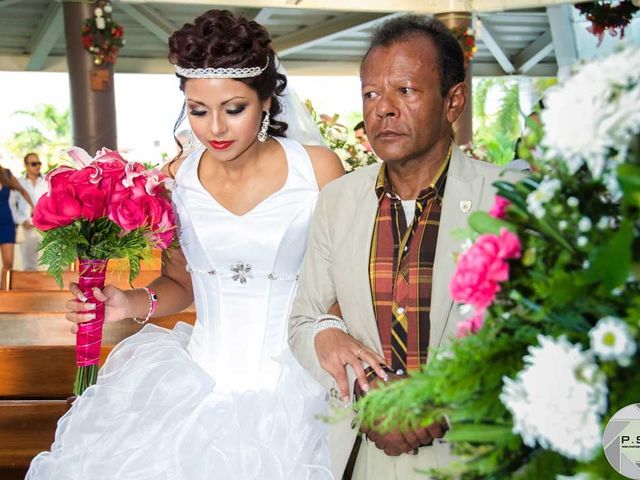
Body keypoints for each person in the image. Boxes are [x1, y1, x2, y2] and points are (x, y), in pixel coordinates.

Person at [26, 9, 344, 480]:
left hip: (301, 388)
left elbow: (342, 281)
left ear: (266, 103)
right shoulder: (177, 181)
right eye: (198, 110)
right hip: (194, 385)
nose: (214, 128)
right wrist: (126, 302)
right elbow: (180, 283)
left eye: (233, 108)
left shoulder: (318, 170)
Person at [289, 15, 521, 480]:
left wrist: (439, 404)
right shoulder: (338, 200)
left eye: (406, 91)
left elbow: (533, 334)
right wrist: (364, 391)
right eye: (371, 94)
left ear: (453, 101)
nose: (383, 110)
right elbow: (302, 321)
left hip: (472, 452)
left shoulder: (509, 200)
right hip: (362, 449)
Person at [10, 153, 48, 270]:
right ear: (26, 165)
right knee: (28, 262)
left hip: (46, 225)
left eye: (39, 163)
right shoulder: (19, 182)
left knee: (47, 262)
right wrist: (21, 220)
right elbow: (11, 203)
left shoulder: (47, 180)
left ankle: (46, 287)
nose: (37, 166)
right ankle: (29, 287)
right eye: (33, 164)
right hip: (27, 226)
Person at [0, 163, 33, 289]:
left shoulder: (6, 174)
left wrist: (34, 208)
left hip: (7, 225)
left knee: (8, 263)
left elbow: (22, 191)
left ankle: (5, 293)